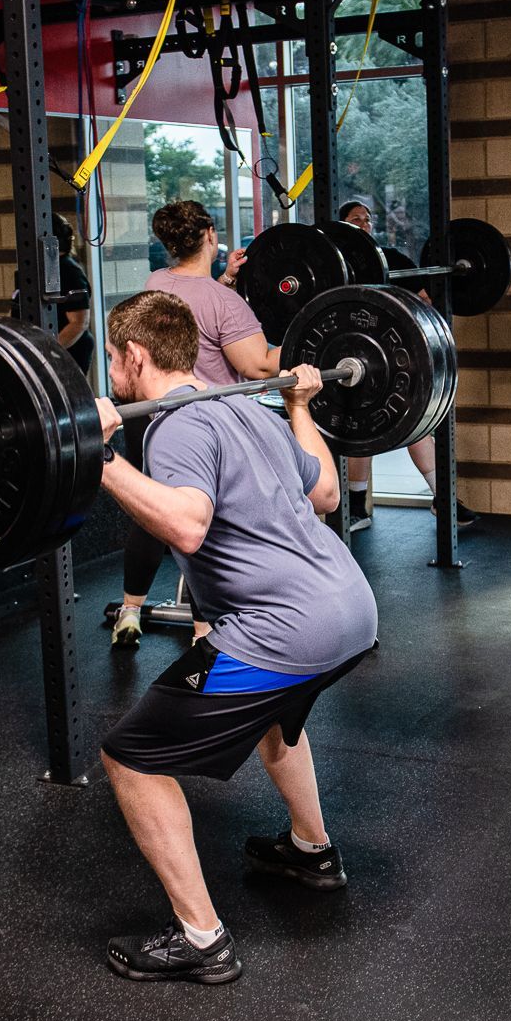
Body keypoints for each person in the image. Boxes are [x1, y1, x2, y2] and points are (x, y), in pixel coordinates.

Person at [95, 289, 377, 984]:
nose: (111, 372)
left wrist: (96, 456)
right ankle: (310, 851)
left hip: (284, 629)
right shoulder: (241, 407)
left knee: (131, 757)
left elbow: (186, 524)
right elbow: (327, 495)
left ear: (135, 355)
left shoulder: (177, 426)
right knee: (277, 719)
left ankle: (201, 939)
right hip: (351, 609)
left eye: (111, 357)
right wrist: (301, 407)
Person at [110, 199, 280, 649]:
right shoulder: (224, 303)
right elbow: (260, 366)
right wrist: (312, 332)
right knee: (209, 521)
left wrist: (224, 276)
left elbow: (194, 305)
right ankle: (206, 631)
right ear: (209, 235)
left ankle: (129, 611)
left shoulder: (157, 285)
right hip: (203, 423)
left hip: (149, 417)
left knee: (152, 514)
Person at [337, 199, 478, 533]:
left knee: (415, 424)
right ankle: (357, 508)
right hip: (355, 360)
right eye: (356, 219)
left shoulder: (392, 258)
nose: (364, 224)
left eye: (368, 219)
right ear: (342, 225)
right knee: (361, 431)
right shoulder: (337, 265)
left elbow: (424, 297)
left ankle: (441, 499)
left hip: (396, 358)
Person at [12, 213, 92, 372]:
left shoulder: (69, 270)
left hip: (62, 354)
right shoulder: (31, 271)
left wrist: (47, 352)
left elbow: (79, 323)